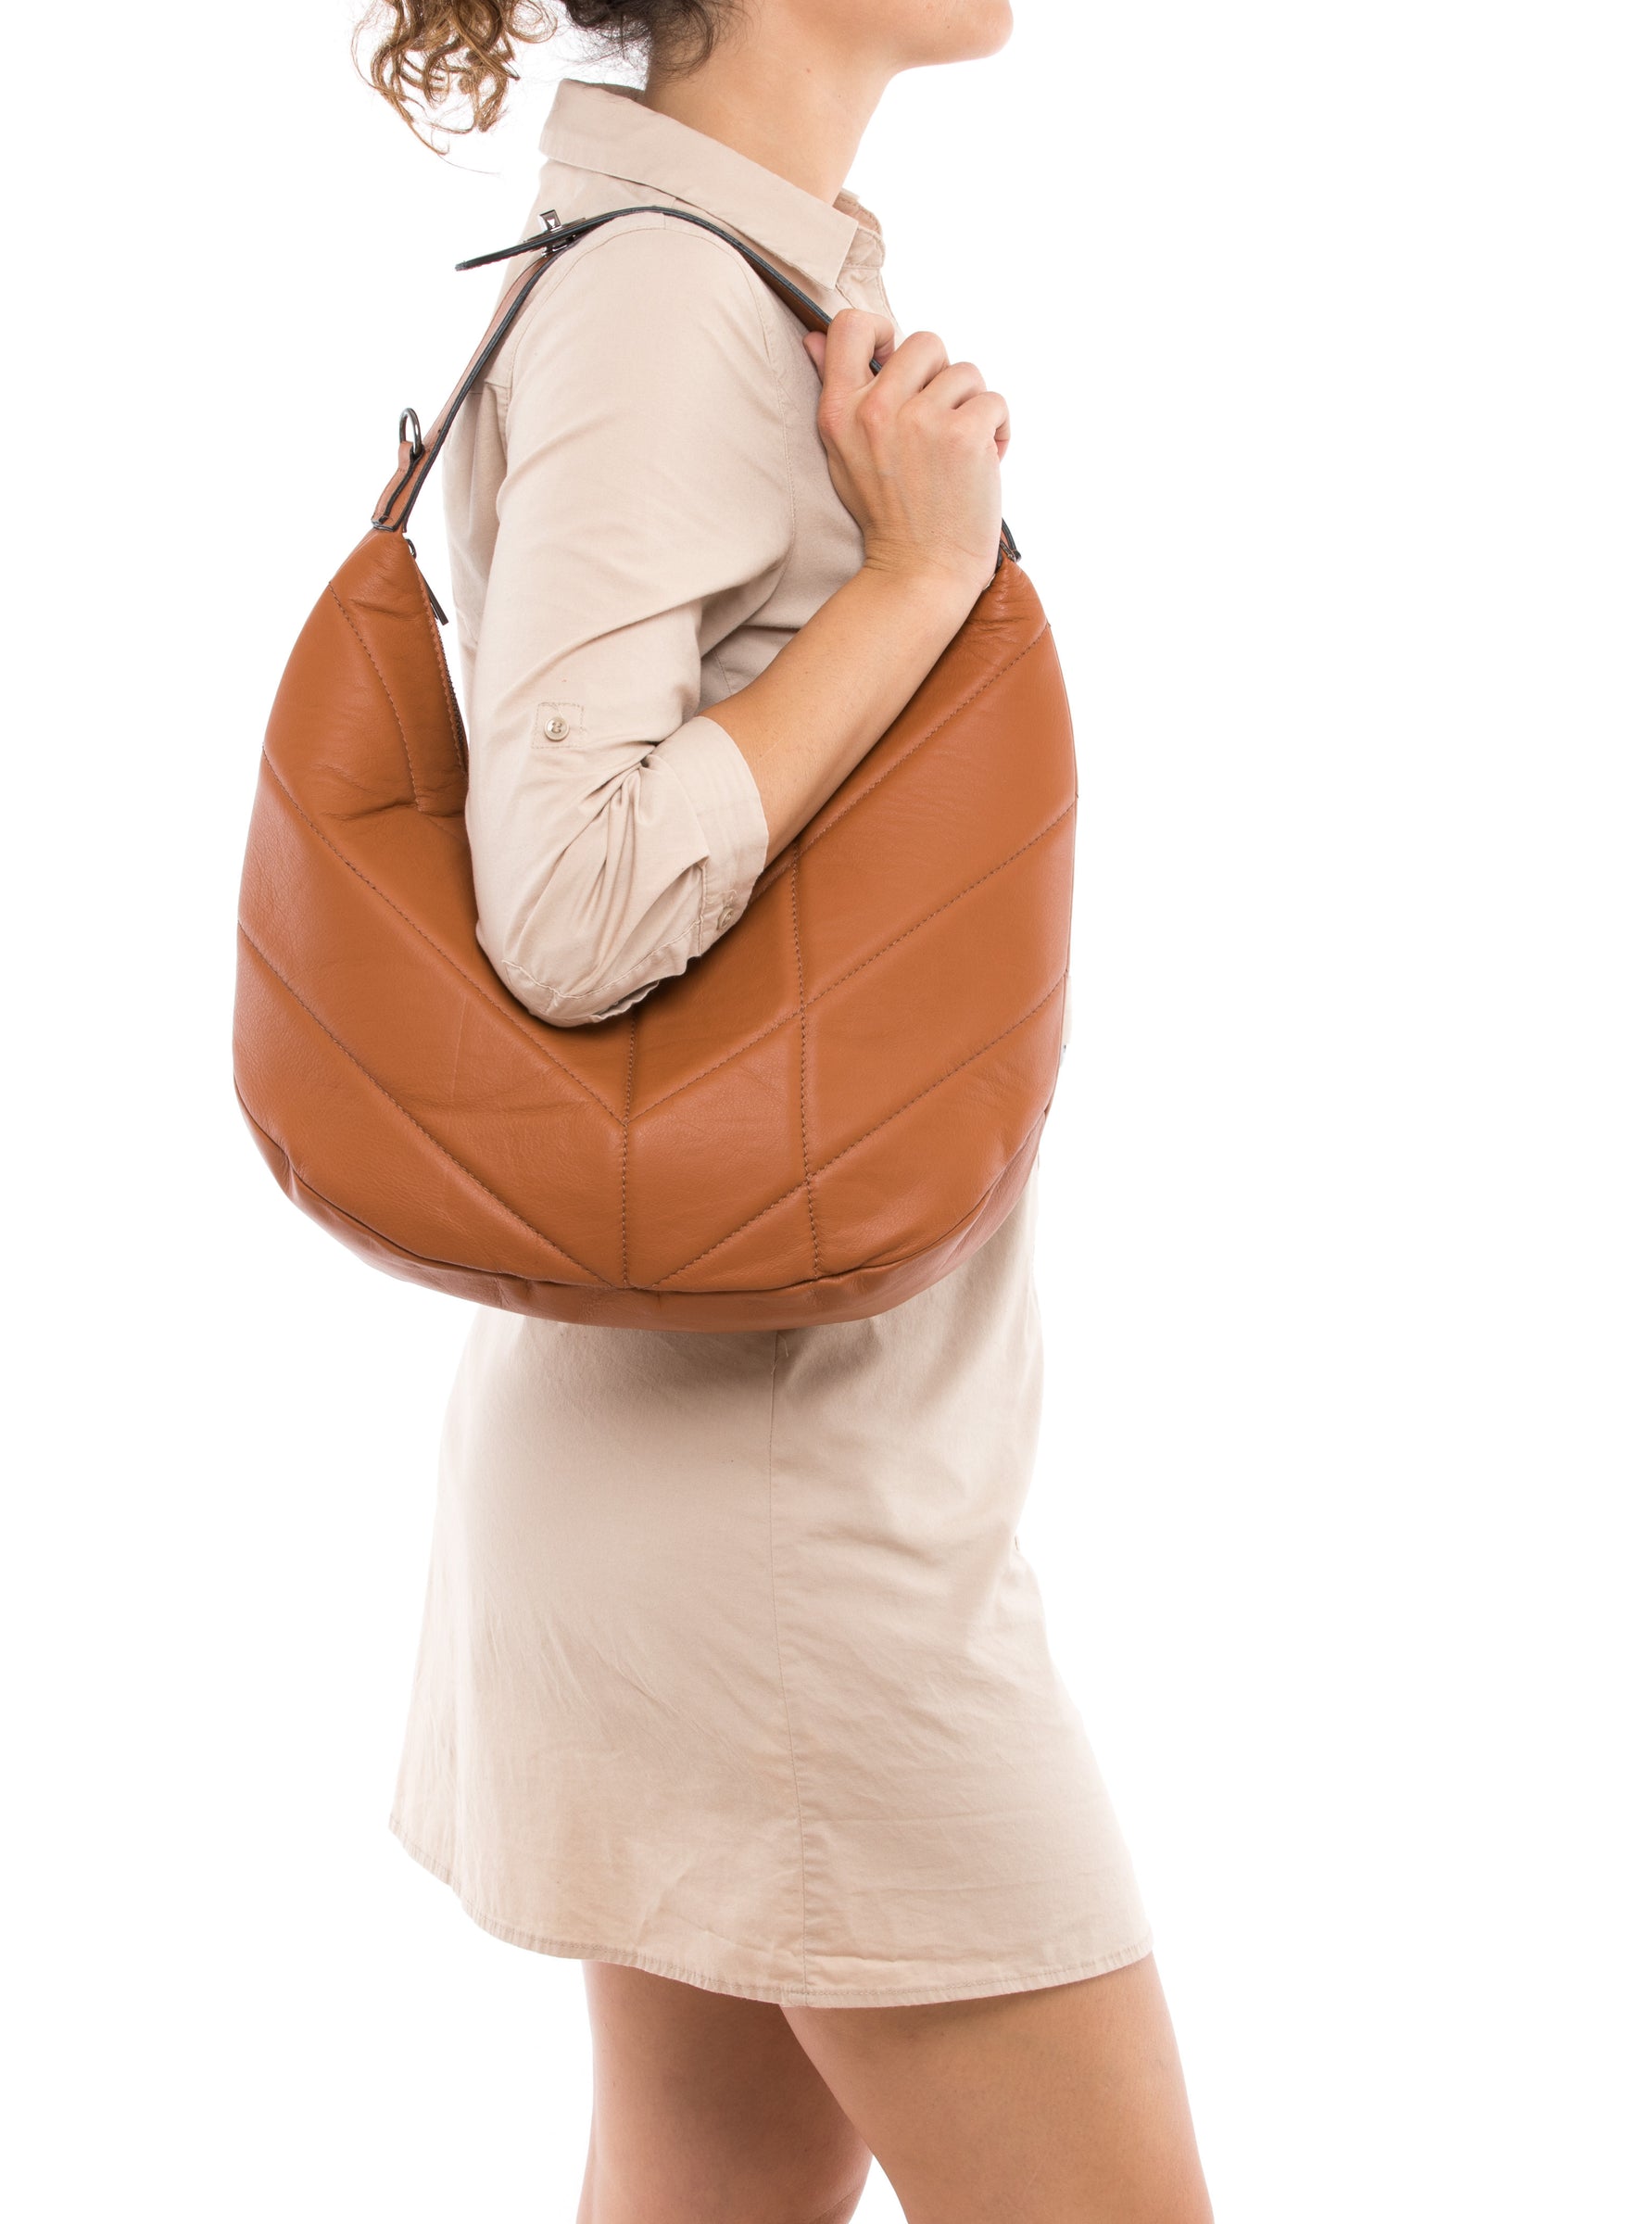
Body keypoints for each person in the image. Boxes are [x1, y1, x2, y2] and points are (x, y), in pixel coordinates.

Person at [363, 5, 1214, 2217]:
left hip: (733, 1452)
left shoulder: (729, 270)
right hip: (781, 1513)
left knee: (712, 2178)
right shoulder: (664, 299)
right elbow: (568, 902)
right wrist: (920, 577)